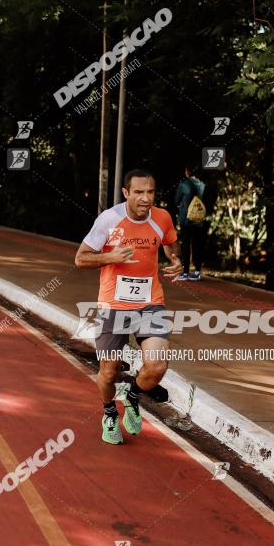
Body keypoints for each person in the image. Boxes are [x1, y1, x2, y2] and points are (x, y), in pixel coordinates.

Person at [75, 169, 183, 444]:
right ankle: (110, 412)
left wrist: (175, 261)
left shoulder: (162, 217)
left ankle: (132, 395)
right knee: (109, 372)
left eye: (150, 192)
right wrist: (111, 255)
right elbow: (80, 259)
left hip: (150, 302)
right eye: (138, 192)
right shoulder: (109, 220)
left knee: (157, 367)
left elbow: (170, 242)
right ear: (126, 193)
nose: (145, 198)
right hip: (112, 306)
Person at [175, 164, 206, 280]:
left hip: (186, 219)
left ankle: (185, 273)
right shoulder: (202, 185)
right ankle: (197, 272)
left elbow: (176, 200)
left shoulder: (183, 184)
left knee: (186, 245)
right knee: (198, 244)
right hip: (199, 219)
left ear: (187, 172)